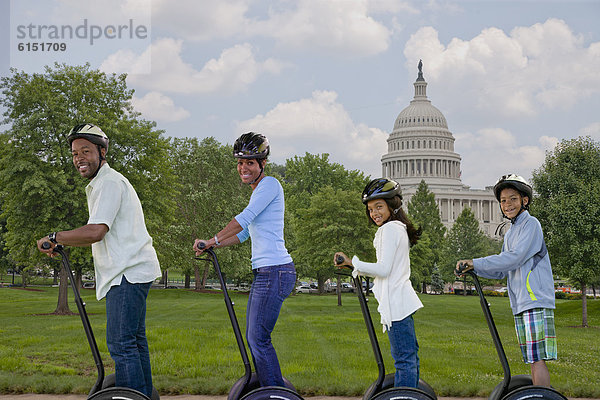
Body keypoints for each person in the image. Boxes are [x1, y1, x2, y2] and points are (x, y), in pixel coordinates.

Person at [37, 123, 161, 397]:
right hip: (131, 270)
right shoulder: (103, 183)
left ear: (102, 152)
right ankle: (142, 394)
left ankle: (133, 396)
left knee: (121, 343)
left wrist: (55, 236)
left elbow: (96, 231)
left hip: (127, 272)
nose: (79, 158)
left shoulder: (108, 182)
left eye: (86, 151)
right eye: (74, 153)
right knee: (134, 342)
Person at [193, 132, 296, 387]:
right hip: (267, 272)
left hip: (275, 271)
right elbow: (244, 234)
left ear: (262, 163)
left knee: (259, 339)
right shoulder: (259, 191)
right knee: (255, 339)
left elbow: (244, 218)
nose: (243, 168)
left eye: (250, 162)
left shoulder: (270, 184)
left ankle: (273, 393)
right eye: (240, 163)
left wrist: (213, 239)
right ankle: (267, 387)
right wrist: (212, 245)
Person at [455, 174, 556, 387]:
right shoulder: (511, 232)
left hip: (535, 299)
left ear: (524, 200)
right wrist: (474, 270)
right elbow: (502, 270)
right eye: (503, 201)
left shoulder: (531, 225)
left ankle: (543, 396)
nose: (507, 204)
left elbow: (515, 258)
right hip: (522, 302)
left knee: (536, 359)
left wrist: (476, 262)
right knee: (532, 358)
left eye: (513, 199)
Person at [334, 178, 423, 388]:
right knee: (409, 357)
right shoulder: (397, 228)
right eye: (371, 209)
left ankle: (406, 394)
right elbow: (387, 269)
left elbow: (384, 269)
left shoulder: (389, 230)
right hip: (400, 302)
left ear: (393, 205)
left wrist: (352, 262)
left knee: (404, 360)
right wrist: (354, 267)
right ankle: (410, 392)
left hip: (397, 304)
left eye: (379, 207)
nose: (374, 213)